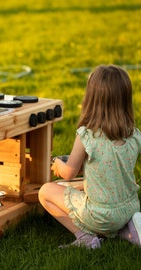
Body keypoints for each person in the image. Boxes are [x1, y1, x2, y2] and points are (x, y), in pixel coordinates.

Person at [38, 64, 141, 249]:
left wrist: (57, 164)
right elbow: (111, 167)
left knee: (47, 190)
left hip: (101, 216)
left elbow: (68, 173)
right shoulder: (134, 134)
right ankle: (128, 230)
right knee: (78, 189)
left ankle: (85, 237)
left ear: (92, 99)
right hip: (129, 209)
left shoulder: (87, 136)